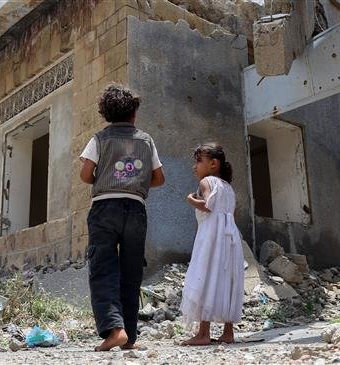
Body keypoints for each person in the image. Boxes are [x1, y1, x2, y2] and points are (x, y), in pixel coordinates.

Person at [79, 83, 165, 351]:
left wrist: (106, 177)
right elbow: (159, 178)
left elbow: (85, 175)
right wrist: (134, 181)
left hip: (104, 208)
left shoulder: (98, 139)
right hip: (136, 209)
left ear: (106, 113)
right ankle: (129, 335)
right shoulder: (146, 140)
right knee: (131, 273)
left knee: (103, 268)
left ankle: (114, 330)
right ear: (134, 113)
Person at [180, 143, 244, 346]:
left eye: (199, 161)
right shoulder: (228, 187)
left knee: (206, 277)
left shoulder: (207, 181)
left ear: (213, 164)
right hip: (230, 237)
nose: (194, 167)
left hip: (211, 238)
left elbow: (208, 205)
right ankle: (228, 332)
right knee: (227, 280)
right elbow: (232, 214)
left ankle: (203, 333)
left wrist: (190, 199)